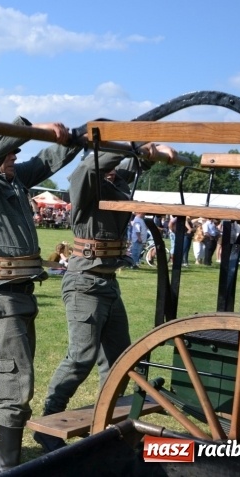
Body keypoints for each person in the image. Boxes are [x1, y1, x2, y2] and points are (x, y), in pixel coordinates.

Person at [0, 118, 79, 475]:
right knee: (16, 387)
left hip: (20, 292)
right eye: (7, 152)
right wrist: (23, 126)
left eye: (15, 152)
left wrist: (78, 135)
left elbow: (49, 159)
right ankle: (9, 469)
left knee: (9, 377)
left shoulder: (15, 181)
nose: (13, 158)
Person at [38, 143, 175, 455]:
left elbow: (134, 165)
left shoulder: (116, 181)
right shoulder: (87, 183)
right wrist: (131, 146)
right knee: (81, 357)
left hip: (108, 283)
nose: (117, 168)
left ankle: (103, 421)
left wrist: (151, 154)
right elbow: (87, 168)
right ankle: (48, 421)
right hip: (84, 283)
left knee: (119, 359)